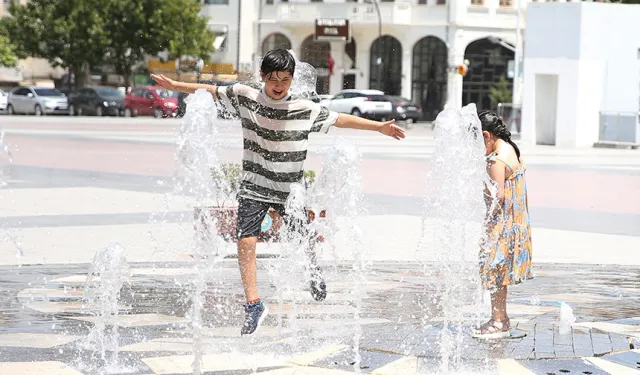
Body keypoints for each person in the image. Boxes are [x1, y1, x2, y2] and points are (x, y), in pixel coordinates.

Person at [150, 49, 405, 336]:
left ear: (293, 79)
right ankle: (254, 305)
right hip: (254, 185)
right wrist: (176, 87)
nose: (279, 85)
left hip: (289, 190)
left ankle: (311, 268)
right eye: (273, 79)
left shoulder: (304, 108)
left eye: (285, 79)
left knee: (301, 236)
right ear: (263, 77)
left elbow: (340, 120)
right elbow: (211, 89)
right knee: (245, 240)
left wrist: (379, 128)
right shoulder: (246, 95)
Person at [472, 110, 533, 339]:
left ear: (487, 135)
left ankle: (498, 321)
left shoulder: (496, 159)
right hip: (516, 221)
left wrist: (489, 225)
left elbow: (498, 198)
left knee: (494, 270)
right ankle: (501, 318)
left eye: (478, 141)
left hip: (502, 224)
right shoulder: (510, 148)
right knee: (499, 272)